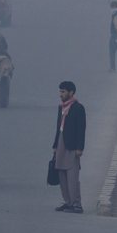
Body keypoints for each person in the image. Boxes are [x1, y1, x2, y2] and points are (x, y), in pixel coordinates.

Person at [52, 80, 86, 214]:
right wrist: (55, 145)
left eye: (63, 92)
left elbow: (81, 130)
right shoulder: (61, 107)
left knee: (72, 175)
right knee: (61, 173)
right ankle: (68, 202)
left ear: (71, 93)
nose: (60, 94)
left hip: (72, 146)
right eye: (60, 91)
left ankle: (77, 204)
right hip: (61, 142)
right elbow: (58, 128)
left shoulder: (78, 108)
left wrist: (80, 148)